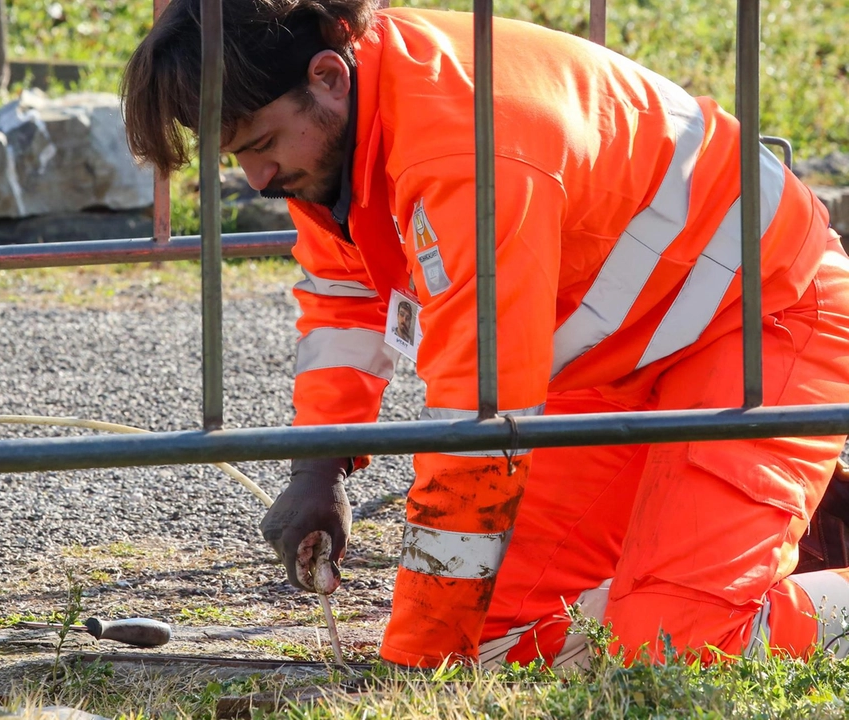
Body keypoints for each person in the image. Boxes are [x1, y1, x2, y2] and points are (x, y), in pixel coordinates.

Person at [121, 0, 849, 667]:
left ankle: (737, 563)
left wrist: (412, 668)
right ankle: (765, 539)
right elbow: (345, 295)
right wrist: (318, 466)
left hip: (765, 319)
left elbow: (478, 434)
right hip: (616, 364)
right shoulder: (345, 126)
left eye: (263, 142)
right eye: (237, 154)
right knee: (500, 638)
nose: (257, 176)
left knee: (669, 646)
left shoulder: (467, 150)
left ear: (328, 76)